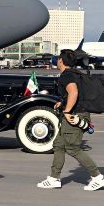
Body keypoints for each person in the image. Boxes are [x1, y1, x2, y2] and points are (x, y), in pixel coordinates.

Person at [37, 49, 104, 191]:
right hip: (77, 113)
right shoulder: (75, 74)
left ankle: (97, 177)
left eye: (58, 59)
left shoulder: (67, 75)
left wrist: (67, 111)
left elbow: (74, 92)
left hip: (75, 116)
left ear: (61, 61)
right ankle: (54, 179)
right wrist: (62, 103)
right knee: (59, 145)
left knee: (72, 148)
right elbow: (74, 94)